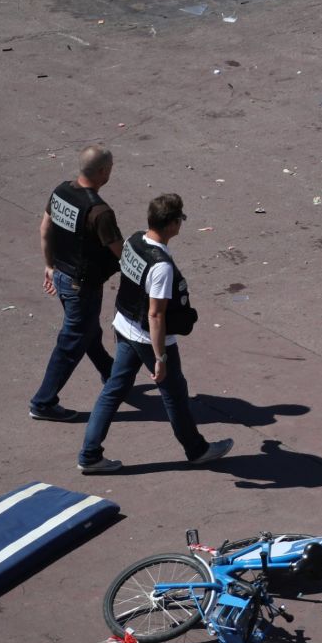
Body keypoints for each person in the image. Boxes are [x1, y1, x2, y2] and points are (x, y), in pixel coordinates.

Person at [78, 193, 232, 473]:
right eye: (180, 219)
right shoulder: (161, 266)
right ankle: (196, 450)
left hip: (124, 327)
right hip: (149, 339)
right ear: (173, 224)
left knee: (113, 390)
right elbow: (156, 314)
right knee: (174, 394)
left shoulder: (134, 241)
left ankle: (89, 455)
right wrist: (160, 357)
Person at [29, 145, 122, 422]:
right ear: (103, 172)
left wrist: (49, 266)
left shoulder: (60, 192)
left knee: (87, 329)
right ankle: (43, 402)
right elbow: (121, 253)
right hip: (82, 285)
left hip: (61, 275)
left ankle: (113, 374)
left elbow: (45, 229)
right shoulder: (99, 212)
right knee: (71, 343)